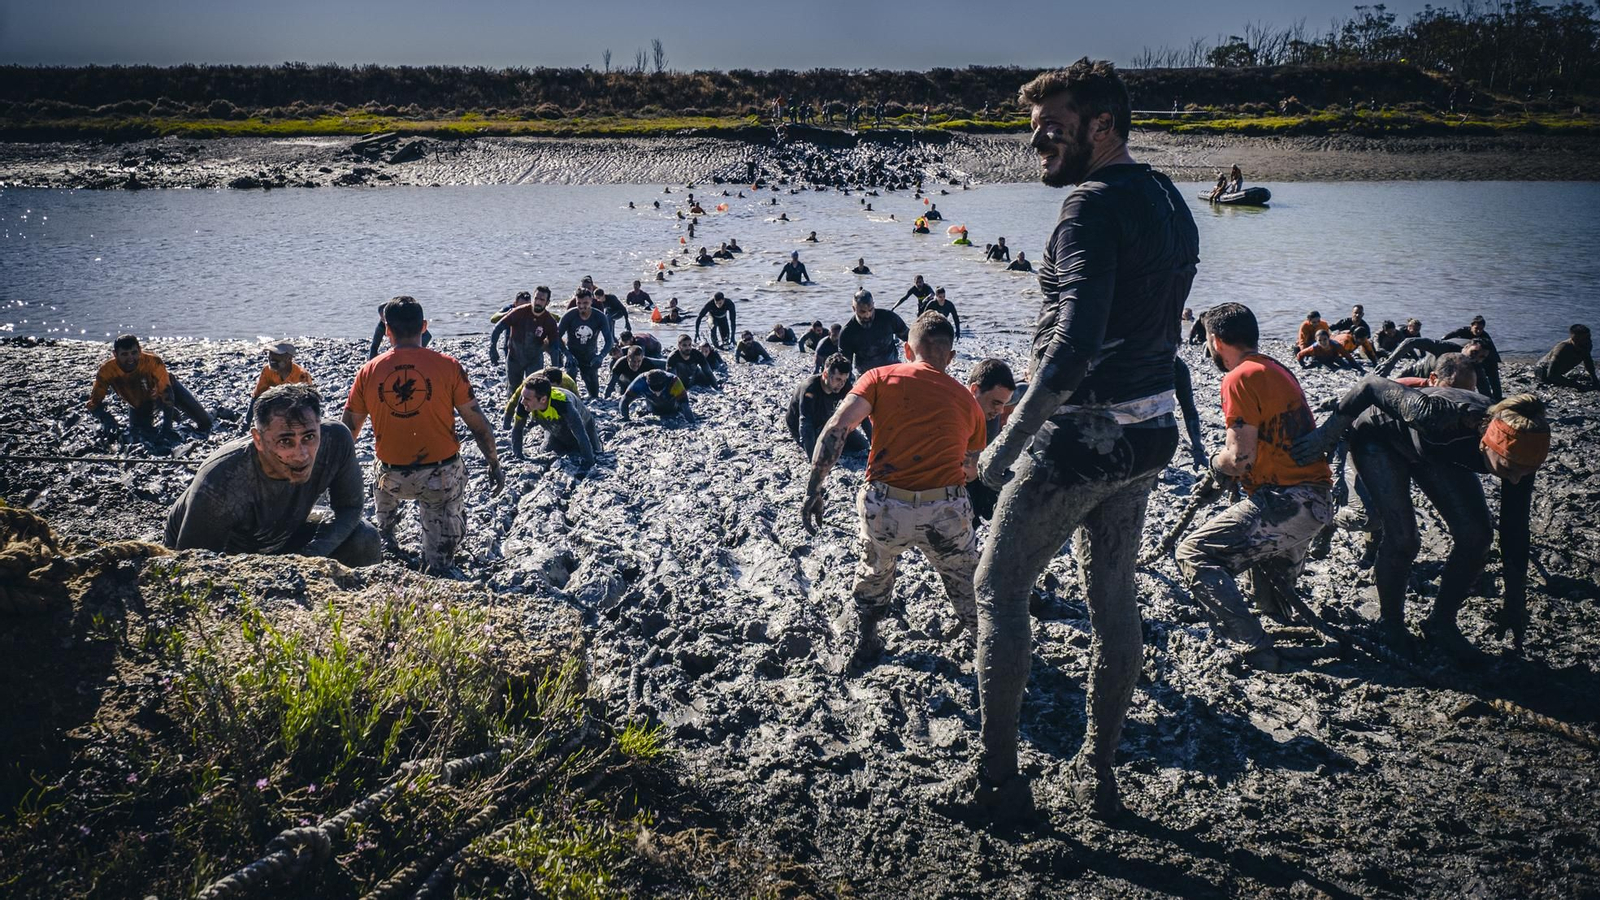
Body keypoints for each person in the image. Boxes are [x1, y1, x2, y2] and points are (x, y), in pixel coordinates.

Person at [972, 59, 1199, 821]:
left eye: (1054, 126)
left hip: (1080, 441)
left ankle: (997, 785)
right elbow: (1153, 325)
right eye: (1035, 126)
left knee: (998, 591)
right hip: (1148, 435)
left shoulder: (1088, 208)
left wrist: (1004, 447)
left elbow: (1072, 347)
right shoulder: (1168, 196)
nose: (1037, 139)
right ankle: (1097, 775)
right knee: (1113, 599)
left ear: (1103, 125)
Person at [1291, 377, 1550, 660]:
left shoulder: (1524, 453)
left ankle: (1441, 624)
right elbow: (1370, 387)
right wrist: (1326, 434)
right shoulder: (1436, 412)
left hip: (1433, 450)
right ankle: (1390, 623)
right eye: (1507, 468)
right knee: (1404, 539)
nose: (1514, 479)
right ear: (1488, 442)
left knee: (1477, 537)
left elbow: (1515, 528)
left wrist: (1514, 601)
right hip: (1379, 437)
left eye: (1524, 472)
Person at [802, 312, 985, 672]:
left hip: (887, 506)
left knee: (874, 570)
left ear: (905, 349)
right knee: (965, 580)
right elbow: (969, 466)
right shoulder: (967, 401)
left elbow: (837, 427)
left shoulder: (879, 377)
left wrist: (815, 488)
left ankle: (868, 639)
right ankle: (986, 645)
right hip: (944, 510)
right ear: (950, 357)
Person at [1175, 303, 1333, 672]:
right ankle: (1277, 623)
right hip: (1314, 500)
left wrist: (1216, 465)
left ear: (1215, 341)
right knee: (1268, 597)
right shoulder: (1276, 368)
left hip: (1290, 501)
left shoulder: (1239, 377)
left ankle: (1256, 648)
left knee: (1194, 554)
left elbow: (1239, 457)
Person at [344, 296, 504, 574]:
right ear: (424, 327)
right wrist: (494, 463)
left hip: (390, 478)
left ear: (387, 331)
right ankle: (441, 544)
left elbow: (348, 433)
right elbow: (478, 424)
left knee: (377, 475)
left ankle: (387, 533)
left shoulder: (368, 372)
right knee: (440, 565)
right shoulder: (448, 366)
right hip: (439, 478)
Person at [166, 383, 380, 566]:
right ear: (258, 440)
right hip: (228, 549)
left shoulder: (336, 440)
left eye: (309, 437)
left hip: (282, 531)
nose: (301, 454)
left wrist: (310, 556)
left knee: (365, 537)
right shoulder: (221, 481)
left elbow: (350, 508)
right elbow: (190, 564)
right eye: (285, 441)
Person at [88, 334, 212, 436]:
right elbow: (93, 403)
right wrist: (106, 417)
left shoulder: (153, 362)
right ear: (115, 355)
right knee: (143, 434)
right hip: (138, 404)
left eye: (134, 353)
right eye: (125, 354)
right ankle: (172, 415)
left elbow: (167, 393)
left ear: (140, 351)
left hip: (167, 393)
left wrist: (166, 427)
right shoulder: (107, 371)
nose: (130, 358)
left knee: (206, 423)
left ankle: (175, 414)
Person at [963, 358, 1022, 523]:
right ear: (974, 390)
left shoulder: (989, 413)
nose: (1000, 410)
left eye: (1003, 404)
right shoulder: (950, 413)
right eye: (996, 403)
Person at [506, 375, 601, 467]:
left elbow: (581, 434)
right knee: (547, 453)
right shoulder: (525, 400)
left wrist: (590, 464)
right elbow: (517, 428)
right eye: (522, 397)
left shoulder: (563, 403)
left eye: (526, 399)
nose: (522, 401)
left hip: (584, 425)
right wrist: (518, 456)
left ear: (543, 399)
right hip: (554, 427)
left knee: (594, 454)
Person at [787, 353, 867, 458]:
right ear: (825, 375)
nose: (841, 384)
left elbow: (860, 410)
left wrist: (873, 443)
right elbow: (805, 424)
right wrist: (813, 460)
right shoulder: (809, 388)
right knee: (825, 450)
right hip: (801, 424)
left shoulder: (843, 386)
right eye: (838, 379)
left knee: (862, 445)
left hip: (824, 417)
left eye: (844, 380)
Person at [490, 287, 561, 391]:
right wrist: (493, 348)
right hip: (514, 357)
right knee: (513, 388)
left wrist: (555, 368)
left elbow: (554, 346)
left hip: (534, 359)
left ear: (547, 302)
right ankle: (512, 405)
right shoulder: (519, 312)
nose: (538, 302)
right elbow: (498, 328)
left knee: (534, 388)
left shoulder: (549, 321)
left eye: (542, 300)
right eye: (536, 298)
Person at [557, 289, 615, 399]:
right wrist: (567, 354)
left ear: (591, 301)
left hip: (590, 355)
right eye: (578, 303)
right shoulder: (570, 315)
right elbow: (557, 337)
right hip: (573, 354)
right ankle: (573, 397)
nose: (581, 306)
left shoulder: (599, 317)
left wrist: (601, 356)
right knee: (571, 372)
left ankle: (591, 388)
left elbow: (609, 340)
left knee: (594, 394)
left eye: (585, 303)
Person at [838, 290, 909, 376]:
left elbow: (910, 337)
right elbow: (845, 366)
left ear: (874, 304)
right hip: (865, 375)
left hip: (892, 369)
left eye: (871, 310)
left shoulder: (888, 318)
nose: (868, 315)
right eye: (862, 312)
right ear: (854, 309)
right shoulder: (847, 332)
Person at [244, 341, 314, 428]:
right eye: (271, 355)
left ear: (289, 358)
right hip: (278, 405)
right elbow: (256, 396)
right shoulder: (267, 371)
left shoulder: (301, 376)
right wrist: (246, 424)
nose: (272, 358)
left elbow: (309, 402)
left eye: (277, 356)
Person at [1441, 315, 1503, 399]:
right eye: (1476, 328)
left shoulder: (1485, 336)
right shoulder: (1463, 331)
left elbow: (1492, 351)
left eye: (1481, 329)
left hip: (1489, 359)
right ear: (1471, 326)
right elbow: (1446, 337)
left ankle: (1497, 398)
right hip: (1475, 358)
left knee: (1493, 380)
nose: (1478, 331)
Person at [1534, 324, 1596, 389]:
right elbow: (1550, 374)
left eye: (1589, 337)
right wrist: (1576, 385)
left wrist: (1594, 379)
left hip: (1560, 371)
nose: (1588, 340)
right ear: (1575, 339)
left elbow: (1588, 362)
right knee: (1548, 383)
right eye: (1584, 339)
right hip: (1543, 370)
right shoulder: (1562, 348)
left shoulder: (1587, 346)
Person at [620, 369, 693, 423]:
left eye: (660, 391)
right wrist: (626, 419)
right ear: (647, 384)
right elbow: (625, 400)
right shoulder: (640, 382)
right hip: (652, 411)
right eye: (654, 392)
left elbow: (685, 404)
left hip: (674, 410)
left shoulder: (674, 381)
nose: (658, 394)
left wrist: (691, 423)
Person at [1296, 329, 1364, 370]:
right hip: (1319, 359)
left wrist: (1360, 369)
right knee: (1321, 365)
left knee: (1347, 367)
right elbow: (1300, 355)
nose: (1323, 342)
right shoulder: (1313, 348)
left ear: (1329, 338)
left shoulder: (1336, 345)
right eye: (1320, 340)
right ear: (1316, 341)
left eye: (1325, 339)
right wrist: (1303, 365)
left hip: (1333, 358)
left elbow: (1349, 357)